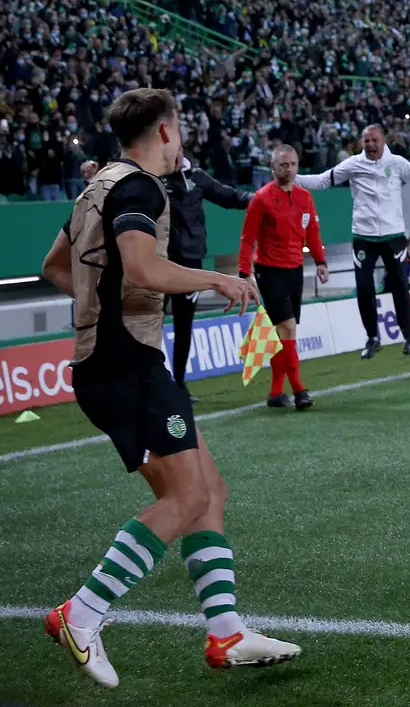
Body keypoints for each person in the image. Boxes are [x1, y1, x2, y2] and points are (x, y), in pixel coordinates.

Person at [38, 88, 296, 685]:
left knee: (208, 490)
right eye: (179, 131)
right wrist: (217, 279)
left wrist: (96, 305)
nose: (182, 143)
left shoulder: (94, 188)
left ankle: (226, 631)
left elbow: (55, 266)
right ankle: (81, 612)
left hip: (115, 360)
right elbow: (143, 269)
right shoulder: (138, 186)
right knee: (183, 500)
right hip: (125, 363)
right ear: (164, 131)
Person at [296, 125, 410, 358]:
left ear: (384, 140)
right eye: (366, 141)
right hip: (363, 237)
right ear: (361, 142)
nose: (371, 145)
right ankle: (372, 338)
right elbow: (323, 181)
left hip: (393, 236)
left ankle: (409, 339)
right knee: (364, 288)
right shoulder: (353, 164)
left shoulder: (398, 164)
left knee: (400, 286)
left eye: (374, 140)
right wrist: (292, 177)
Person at [236, 144, 327, 409]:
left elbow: (312, 233)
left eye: (293, 164)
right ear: (272, 167)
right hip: (270, 271)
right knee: (288, 327)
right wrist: (244, 273)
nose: (289, 169)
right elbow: (247, 239)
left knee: (282, 333)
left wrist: (320, 261)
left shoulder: (305, 197)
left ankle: (276, 392)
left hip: (295, 270)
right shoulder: (261, 198)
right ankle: (299, 390)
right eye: (283, 165)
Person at [162, 154, 252, 387]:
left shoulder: (198, 177)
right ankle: (148, 386)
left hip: (192, 263)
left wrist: (262, 198)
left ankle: (179, 385)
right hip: (159, 262)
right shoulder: (154, 178)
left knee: (184, 325)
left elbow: (229, 196)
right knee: (149, 322)